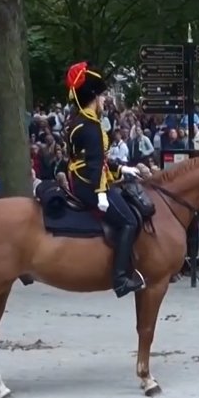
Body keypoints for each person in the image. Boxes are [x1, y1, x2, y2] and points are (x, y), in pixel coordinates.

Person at [65, 61, 146, 298]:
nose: (104, 101)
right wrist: (100, 192)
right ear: (92, 96)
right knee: (129, 220)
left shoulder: (79, 121)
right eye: (101, 96)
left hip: (83, 178)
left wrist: (123, 170)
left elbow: (97, 160)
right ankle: (120, 278)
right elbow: (93, 165)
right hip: (89, 184)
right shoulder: (90, 126)